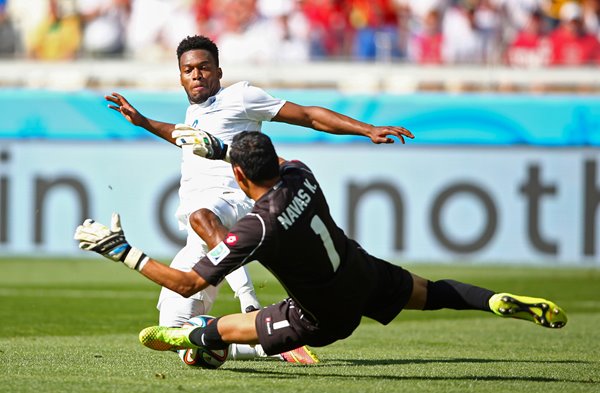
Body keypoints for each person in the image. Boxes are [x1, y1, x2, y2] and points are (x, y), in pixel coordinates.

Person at [74, 130, 568, 363]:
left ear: (239, 175)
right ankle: (494, 300)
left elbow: (187, 281)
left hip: (321, 316)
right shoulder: (299, 174)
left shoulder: (255, 228)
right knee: (434, 291)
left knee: (222, 327)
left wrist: (122, 251)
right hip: (363, 270)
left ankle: (194, 340)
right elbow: (276, 156)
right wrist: (222, 148)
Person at [104, 35, 413, 362]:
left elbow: (307, 115)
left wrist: (366, 129)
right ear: (180, 76)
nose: (197, 75)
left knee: (201, 217)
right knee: (178, 334)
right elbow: (183, 135)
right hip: (204, 235)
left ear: (219, 72)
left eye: (204, 68)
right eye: (189, 70)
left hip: (234, 204)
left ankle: (250, 303)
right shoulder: (194, 112)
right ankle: (271, 346)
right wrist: (144, 123)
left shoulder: (241, 96)